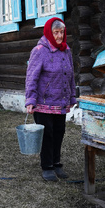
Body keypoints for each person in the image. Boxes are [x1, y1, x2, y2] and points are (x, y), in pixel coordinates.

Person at [25, 17, 77, 182]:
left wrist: (71, 97)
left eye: (62, 32)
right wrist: (30, 100)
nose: (60, 36)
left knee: (59, 132)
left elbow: (71, 76)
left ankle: (56, 163)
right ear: (49, 33)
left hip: (60, 101)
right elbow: (31, 77)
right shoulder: (39, 51)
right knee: (47, 134)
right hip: (43, 102)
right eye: (56, 32)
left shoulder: (66, 50)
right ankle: (47, 167)